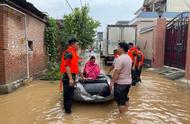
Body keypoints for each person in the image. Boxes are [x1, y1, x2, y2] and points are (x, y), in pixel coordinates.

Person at [110, 42, 132, 114]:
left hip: (121, 84)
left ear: (122, 49)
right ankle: (126, 112)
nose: (117, 49)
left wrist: (111, 83)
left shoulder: (120, 59)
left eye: (118, 47)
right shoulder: (129, 58)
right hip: (128, 83)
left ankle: (122, 117)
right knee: (125, 98)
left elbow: (117, 73)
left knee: (120, 102)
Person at [60, 38, 80, 114]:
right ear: (72, 44)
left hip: (72, 76)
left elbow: (75, 66)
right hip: (68, 76)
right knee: (68, 94)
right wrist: (70, 78)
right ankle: (68, 113)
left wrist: (82, 75)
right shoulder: (68, 52)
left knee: (70, 93)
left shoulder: (74, 53)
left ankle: (67, 110)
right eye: (77, 44)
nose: (78, 46)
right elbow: (67, 65)